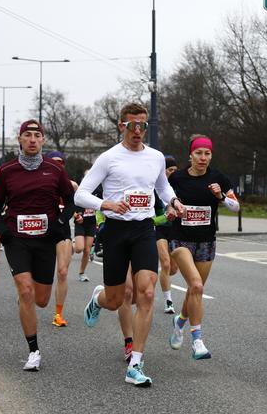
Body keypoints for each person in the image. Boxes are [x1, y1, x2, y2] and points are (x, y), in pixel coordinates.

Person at [75, 102, 184, 387]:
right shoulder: (109, 158)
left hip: (144, 229)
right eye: (132, 125)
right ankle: (98, 300)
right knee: (116, 299)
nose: (138, 130)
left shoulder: (156, 157)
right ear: (122, 126)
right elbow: (81, 195)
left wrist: (172, 200)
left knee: (146, 294)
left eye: (143, 125)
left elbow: (162, 187)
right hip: (116, 231)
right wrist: (105, 203)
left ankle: (136, 363)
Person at [0, 120, 74, 371]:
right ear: (20, 139)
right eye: (28, 135)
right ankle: (34, 350)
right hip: (18, 239)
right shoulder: (6, 171)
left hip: (45, 241)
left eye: (37, 135)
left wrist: (59, 222)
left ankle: (26, 301)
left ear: (43, 140)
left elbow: (70, 201)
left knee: (42, 300)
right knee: (25, 290)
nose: (33, 139)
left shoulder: (55, 170)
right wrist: (4, 232)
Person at [167, 135, 239, 360]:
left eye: (207, 153)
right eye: (199, 153)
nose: (203, 158)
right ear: (190, 155)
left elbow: (235, 207)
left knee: (194, 290)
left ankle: (179, 322)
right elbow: (162, 199)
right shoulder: (177, 178)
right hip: (181, 239)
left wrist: (220, 196)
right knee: (196, 285)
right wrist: (169, 209)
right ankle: (197, 340)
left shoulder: (218, 178)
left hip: (206, 242)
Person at [45, 150, 78, 328]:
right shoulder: (40, 183)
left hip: (62, 230)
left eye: (62, 162)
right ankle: (26, 294)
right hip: (42, 230)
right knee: (37, 273)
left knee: (63, 272)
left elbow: (75, 204)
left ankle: (58, 314)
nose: (59, 164)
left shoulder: (71, 185)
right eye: (54, 161)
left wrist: (78, 215)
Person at [155, 155, 180, 314]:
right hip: (159, 228)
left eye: (175, 170)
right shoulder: (154, 187)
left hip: (175, 229)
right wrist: (164, 214)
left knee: (173, 268)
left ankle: (163, 274)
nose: (173, 173)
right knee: (165, 263)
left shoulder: (179, 185)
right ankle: (168, 301)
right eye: (170, 170)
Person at [73, 169, 99, 283]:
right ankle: (72, 245)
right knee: (79, 249)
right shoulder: (79, 190)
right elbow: (71, 206)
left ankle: (82, 273)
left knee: (87, 250)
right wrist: (76, 215)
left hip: (91, 222)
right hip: (80, 221)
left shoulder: (98, 190)